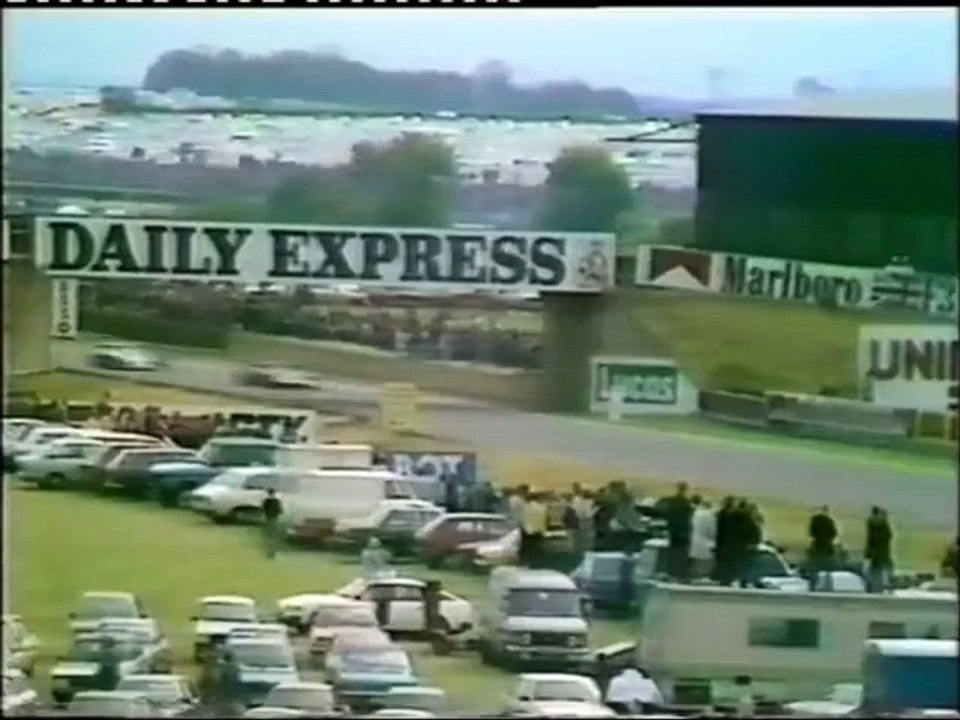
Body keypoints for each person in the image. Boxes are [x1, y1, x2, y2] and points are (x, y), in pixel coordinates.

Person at [664, 482, 694, 581]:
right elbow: (689, 516)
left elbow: (668, 515)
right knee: (682, 554)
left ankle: (671, 573)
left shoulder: (672, 501)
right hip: (683, 531)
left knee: (673, 553)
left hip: (673, 531)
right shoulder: (686, 502)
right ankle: (681, 575)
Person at [807, 505, 839, 590]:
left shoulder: (815, 520)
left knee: (813, 569)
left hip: (817, 547)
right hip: (827, 548)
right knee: (828, 570)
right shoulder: (829, 521)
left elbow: (811, 533)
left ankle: (812, 586)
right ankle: (827, 587)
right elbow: (834, 533)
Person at [864, 506, 894, 593]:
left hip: (873, 552)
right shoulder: (881, 524)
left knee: (873, 571)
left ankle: (871, 586)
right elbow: (889, 536)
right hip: (882, 552)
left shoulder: (870, 523)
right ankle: (885, 586)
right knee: (885, 569)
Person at [690, 497, 716, 580]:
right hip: (705, 542)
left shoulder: (694, 513)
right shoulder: (711, 516)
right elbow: (712, 531)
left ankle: (694, 575)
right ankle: (703, 575)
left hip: (692, 540)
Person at [522, 491, 548, 568]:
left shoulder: (526, 507)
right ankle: (539, 563)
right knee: (539, 549)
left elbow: (523, 519)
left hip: (529, 531)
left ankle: (530, 564)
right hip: (540, 531)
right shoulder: (543, 507)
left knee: (529, 550)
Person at [713, 496, 736, 584]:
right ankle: (726, 579)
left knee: (722, 562)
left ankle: (722, 578)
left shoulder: (720, 514)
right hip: (729, 543)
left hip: (721, 542)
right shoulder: (734, 515)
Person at [571, 486, 595, 558]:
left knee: (582, 537)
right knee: (588, 538)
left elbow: (575, 510)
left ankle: (582, 552)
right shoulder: (591, 501)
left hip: (581, 521)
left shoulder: (579, 502)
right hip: (589, 520)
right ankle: (588, 551)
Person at [260, 488, 283, 560]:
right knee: (273, 535)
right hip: (274, 518)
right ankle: (272, 552)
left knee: (268, 535)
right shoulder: (277, 501)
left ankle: (269, 552)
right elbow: (280, 511)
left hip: (268, 518)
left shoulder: (266, 501)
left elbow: (262, 509)